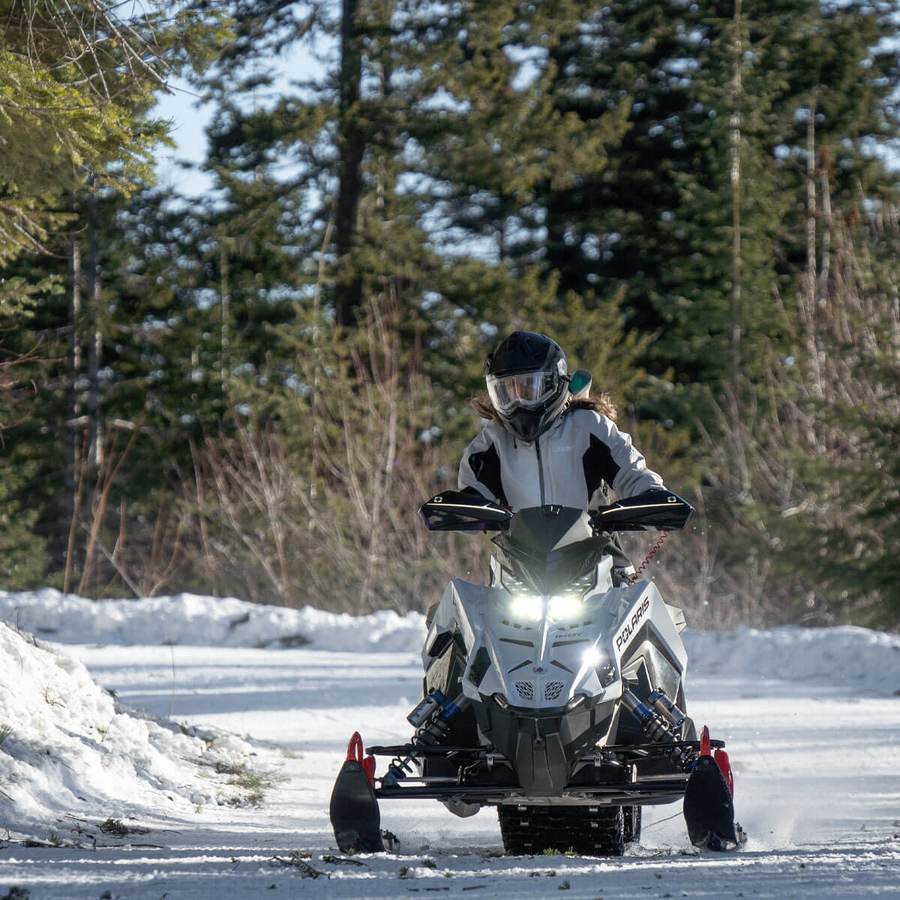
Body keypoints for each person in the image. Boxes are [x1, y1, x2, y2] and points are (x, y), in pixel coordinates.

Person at [459, 330, 669, 578]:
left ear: (553, 384)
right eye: (507, 392)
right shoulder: (490, 442)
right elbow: (471, 495)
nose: (517, 403)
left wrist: (651, 495)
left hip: (598, 560)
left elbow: (631, 470)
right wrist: (462, 510)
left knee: (646, 606)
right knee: (459, 605)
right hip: (520, 571)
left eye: (527, 389)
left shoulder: (589, 426)